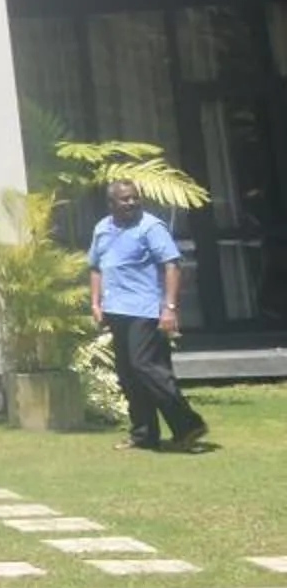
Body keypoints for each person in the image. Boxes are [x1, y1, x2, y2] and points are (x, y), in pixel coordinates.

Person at [90, 177, 209, 452]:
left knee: (147, 367)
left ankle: (188, 426)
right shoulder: (102, 229)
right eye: (125, 199)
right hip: (115, 310)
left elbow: (172, 265)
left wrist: (169, 308)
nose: (132, 202)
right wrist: (96, 303)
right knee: (128, 372)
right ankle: (144, 434)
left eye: (134, 197)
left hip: (145, 310)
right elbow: (96, 267)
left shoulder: (150, 227)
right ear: (111, 203)